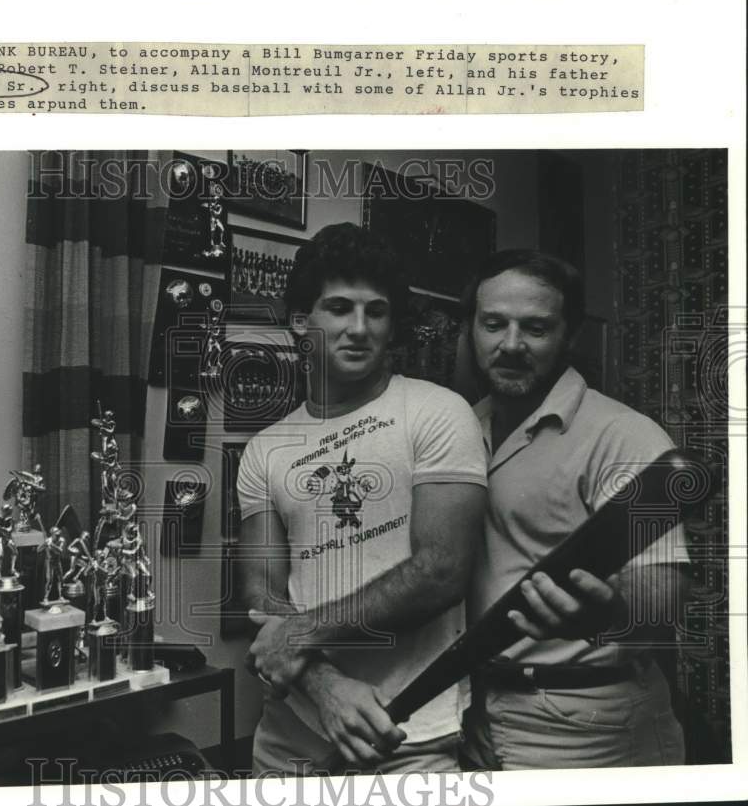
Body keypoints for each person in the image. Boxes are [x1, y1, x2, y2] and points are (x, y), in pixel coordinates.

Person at [237, 222, 488, 774]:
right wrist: (325, 688)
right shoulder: (266, 449)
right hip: (290, 733)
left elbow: (442, 571)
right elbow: (262, 593)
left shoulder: (438, 413)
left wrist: (299, 636)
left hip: (407, 734)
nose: (359, 328)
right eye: (339, 308)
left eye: (376, 312)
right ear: (301, 320)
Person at [460, 249, 689, 769]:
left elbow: (664, 593)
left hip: (592, 726)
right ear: (472, 327)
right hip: (482, 715)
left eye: (536, 328)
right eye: (494, 324)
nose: (511, 345)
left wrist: (611, 610)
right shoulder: (458, 430)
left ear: (571, 334)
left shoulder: (625, 437)